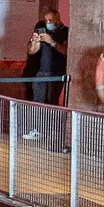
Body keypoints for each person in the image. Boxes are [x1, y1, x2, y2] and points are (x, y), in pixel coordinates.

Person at [20, 8, 69, 147]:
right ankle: (36, 129)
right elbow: (31, 50)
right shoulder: (41, 29)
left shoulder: (65, 32)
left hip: (57, 73)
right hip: (41, 72)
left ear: (57, 20)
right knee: (37, 100)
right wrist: (35, 41)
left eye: (50, 21)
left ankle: (53, 131)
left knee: (52, 101)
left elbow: (67, 51)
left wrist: (51, 41)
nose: (47, 23)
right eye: (46, 20)